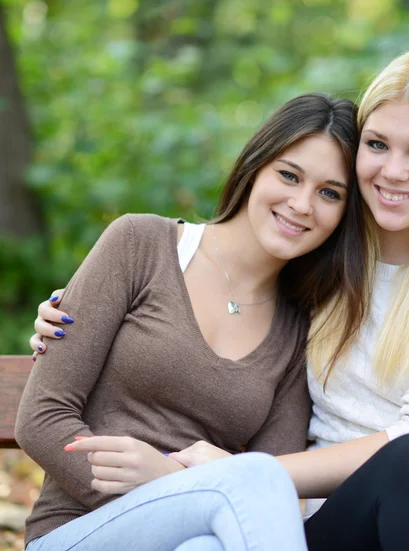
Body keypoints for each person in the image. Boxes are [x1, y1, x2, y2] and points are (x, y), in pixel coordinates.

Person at [31, 52, 409, 551]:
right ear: (255, 165)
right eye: (377, 146)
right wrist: (73, 308)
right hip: (131, 520)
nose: (394, 171)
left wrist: (223, 481)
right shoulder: (301, 272)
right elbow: (48, 411)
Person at [16, 92, 366, 551]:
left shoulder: (298, 328)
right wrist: (164, 486)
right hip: (77, 531)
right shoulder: (139, 245)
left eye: (329, 193)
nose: (302, 204)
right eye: (288, 175)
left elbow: (280, 483)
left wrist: (169, 476)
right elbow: (41, 418)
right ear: (254, 167)